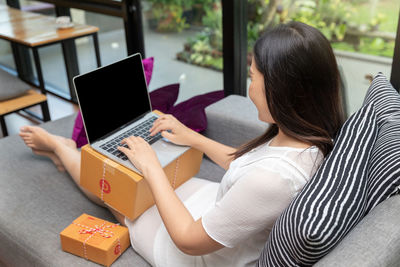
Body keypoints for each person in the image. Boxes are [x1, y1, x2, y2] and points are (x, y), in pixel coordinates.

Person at [19, 21, 344, 267]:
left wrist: (149, 166)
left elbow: (188, 241)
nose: (250, 86)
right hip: (216, 214)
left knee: (117, 189)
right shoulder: (311, 140)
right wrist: (193, 138)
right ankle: (73, 155)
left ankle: (62, 148)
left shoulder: (273, 181)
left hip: (191, 252)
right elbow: (246, 165)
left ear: (284, 90)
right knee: (138, 172)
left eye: (254, 76)